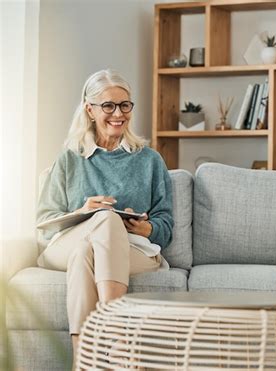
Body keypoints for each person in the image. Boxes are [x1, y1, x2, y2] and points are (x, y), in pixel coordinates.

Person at [36, 69, 174, 367]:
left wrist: (148, 227)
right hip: (66, 243)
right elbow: (45, 220)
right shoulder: (70, 157)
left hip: (132, 249)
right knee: (104, 220)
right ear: (90, 109)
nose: (118, 114)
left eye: (125, 105)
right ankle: (118, 334)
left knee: (90, 249)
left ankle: (81, 359)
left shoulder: (149, 160)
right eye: (108, 106)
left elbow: (166, 223)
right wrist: (84, 213)